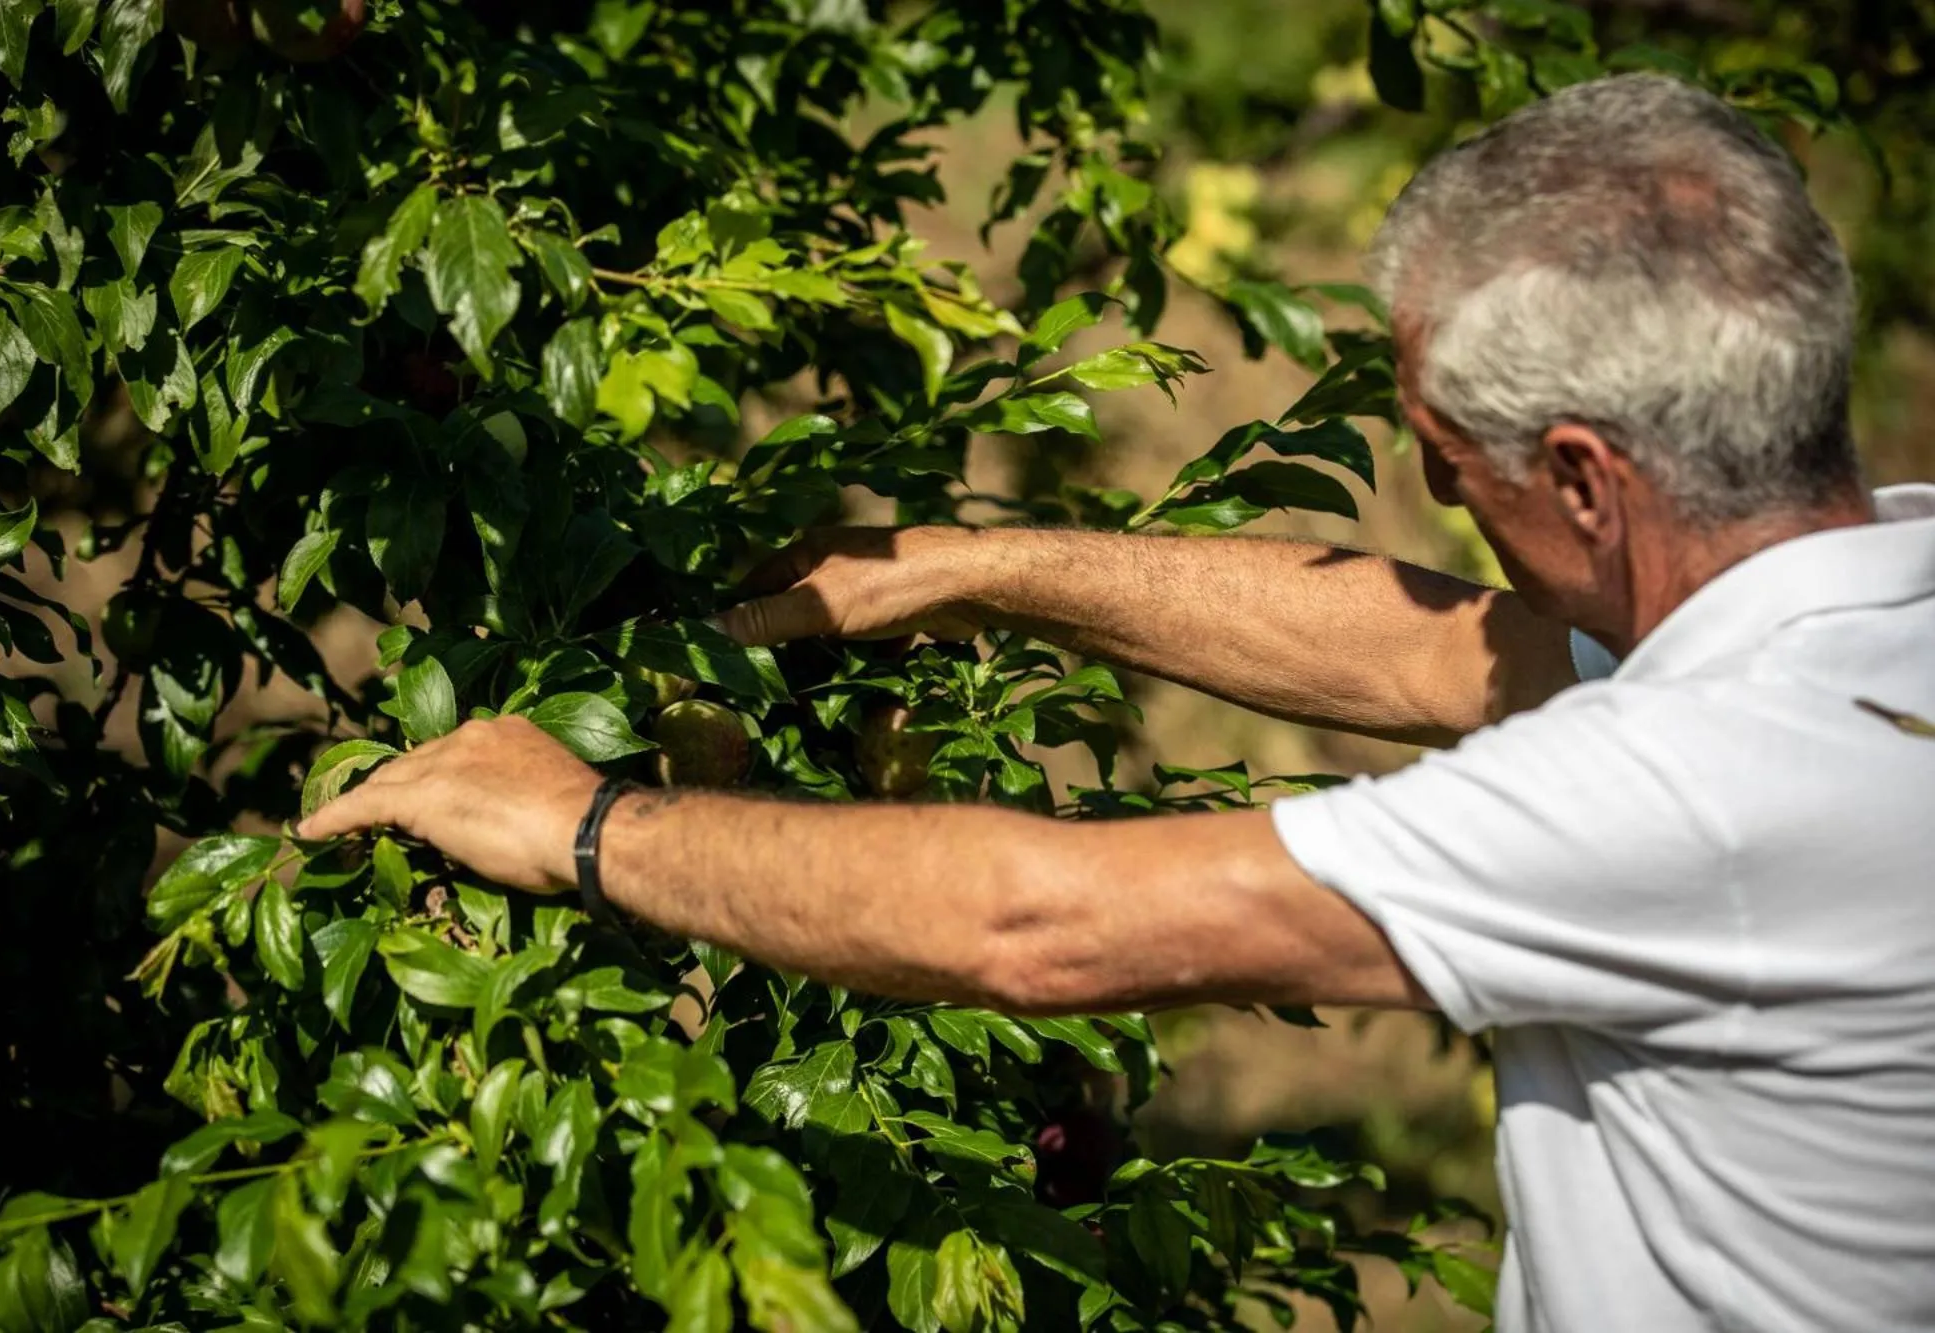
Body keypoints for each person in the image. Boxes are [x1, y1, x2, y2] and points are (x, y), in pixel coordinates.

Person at [299, 73, 1935, 1331]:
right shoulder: (1876, 590)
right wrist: (960, 566)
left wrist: (581, 821)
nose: (1450, 515)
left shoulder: (1692, 797)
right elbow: (1443, 654)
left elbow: (1040, 926)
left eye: (1450, 475)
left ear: (1585, 479)